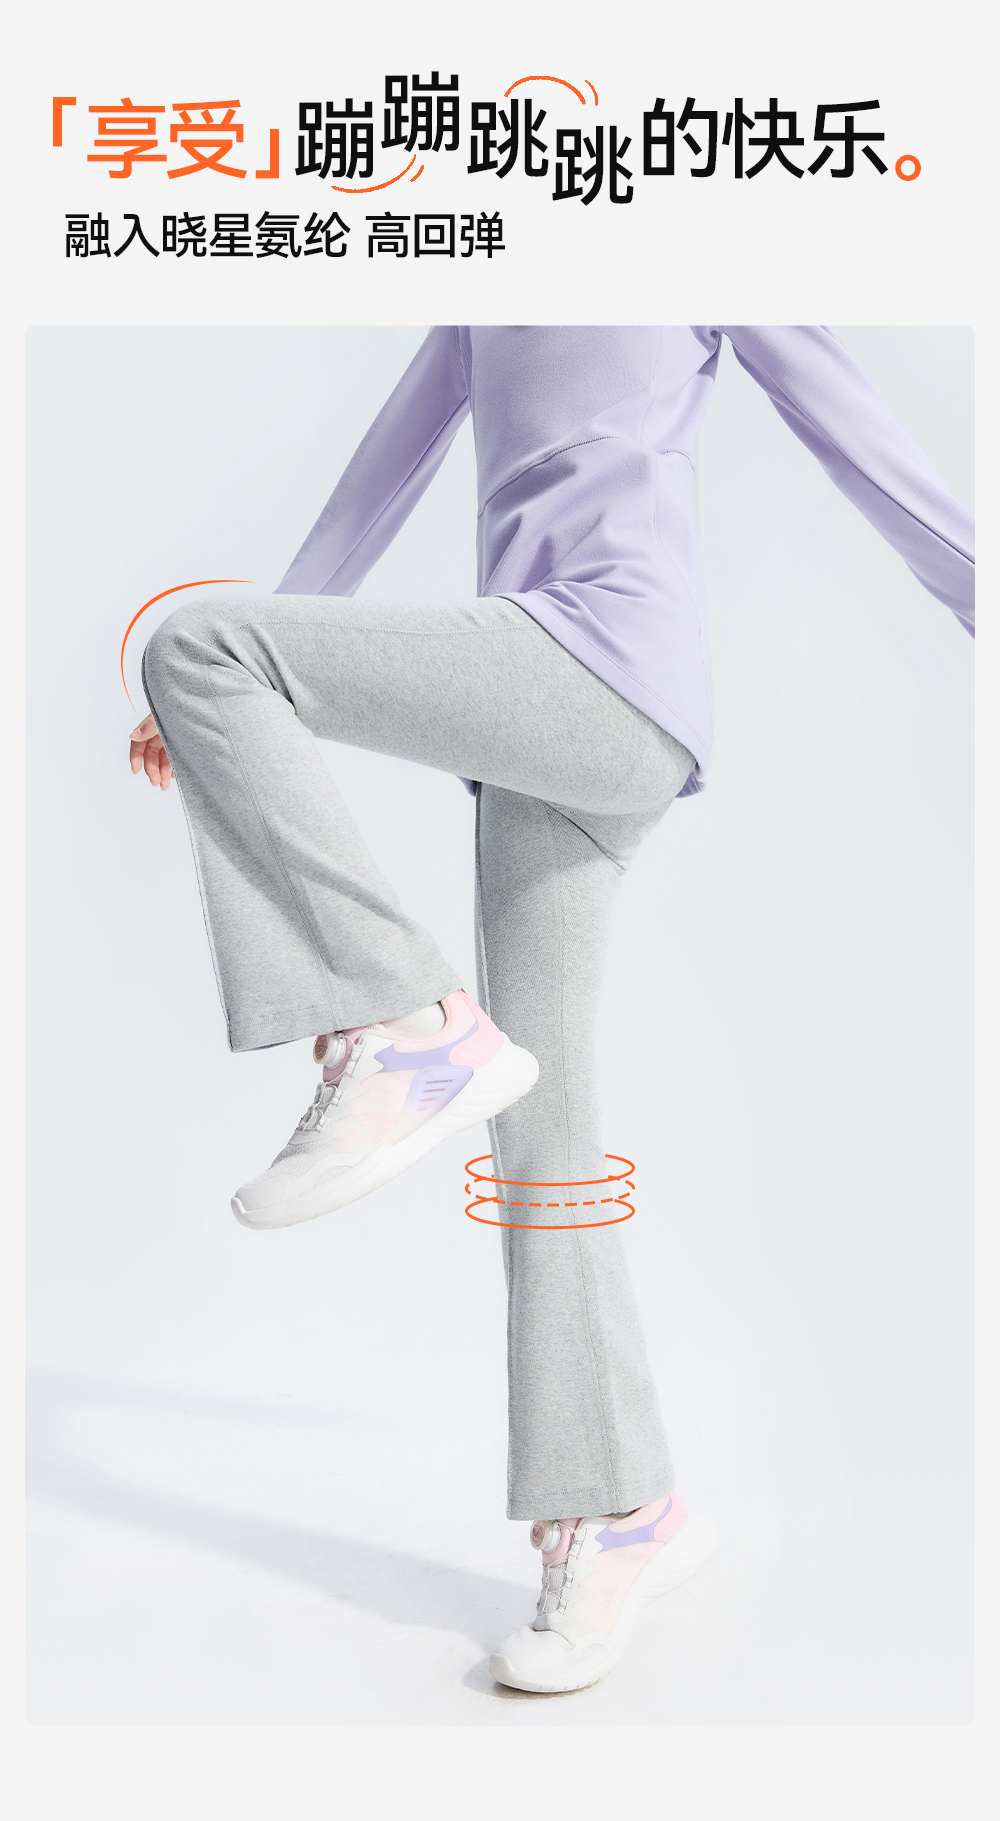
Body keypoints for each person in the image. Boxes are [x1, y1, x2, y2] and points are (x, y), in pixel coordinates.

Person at [129, 326, 974, 1695]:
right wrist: (222, 715)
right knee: (545, 1140)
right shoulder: (482, 284)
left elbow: (861, 442)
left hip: (610, 672)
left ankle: (400, 1021)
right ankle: (622, 1509)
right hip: (529, 717)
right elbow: (380, 479)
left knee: (201, 642)